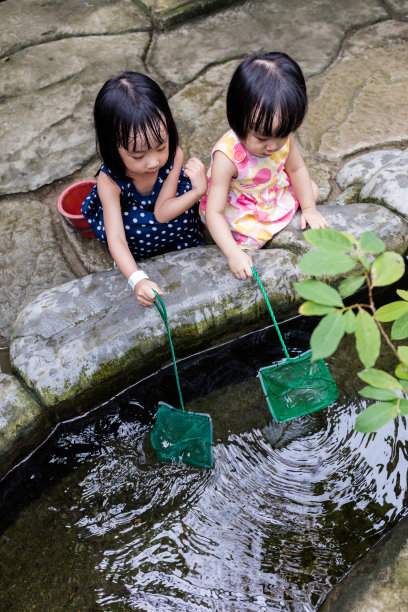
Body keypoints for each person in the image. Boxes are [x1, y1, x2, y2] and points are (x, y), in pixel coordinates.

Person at [200, 52, 329, 281]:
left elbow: (297, 170)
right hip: (239, 206)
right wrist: (233, 254)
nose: (273, 146)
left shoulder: (281, 137)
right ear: (238, 120)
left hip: (270, 192)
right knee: (245, 240)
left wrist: (309, 208)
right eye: (262, 139)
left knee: (312, 190)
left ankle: (286, 213)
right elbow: (214, 211)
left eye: (283, 135)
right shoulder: (227, 157)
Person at [82, 72, 207, 306]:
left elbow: (163, 211)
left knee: (185, 214)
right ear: (112, 148)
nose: (153, 162)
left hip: (166, 209)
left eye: (160, 147)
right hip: (133, 227)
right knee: (133, 228)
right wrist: (137, 279)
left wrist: (197, 191)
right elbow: (117, 238)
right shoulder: (109, 181)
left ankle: (179, 240)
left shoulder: (173, 155)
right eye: (138, 155)